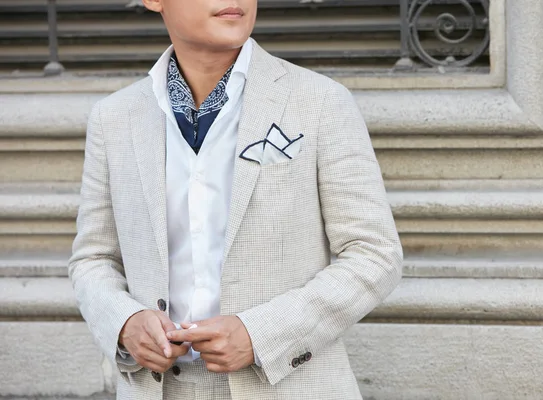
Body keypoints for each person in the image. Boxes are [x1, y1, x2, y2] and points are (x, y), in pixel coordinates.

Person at [68, 0, 403, 399]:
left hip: (286, 385)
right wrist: (124, 323)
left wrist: (260, 334)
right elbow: (93, 258)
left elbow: (374, 253)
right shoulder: (114, 118)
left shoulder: (321, 102)